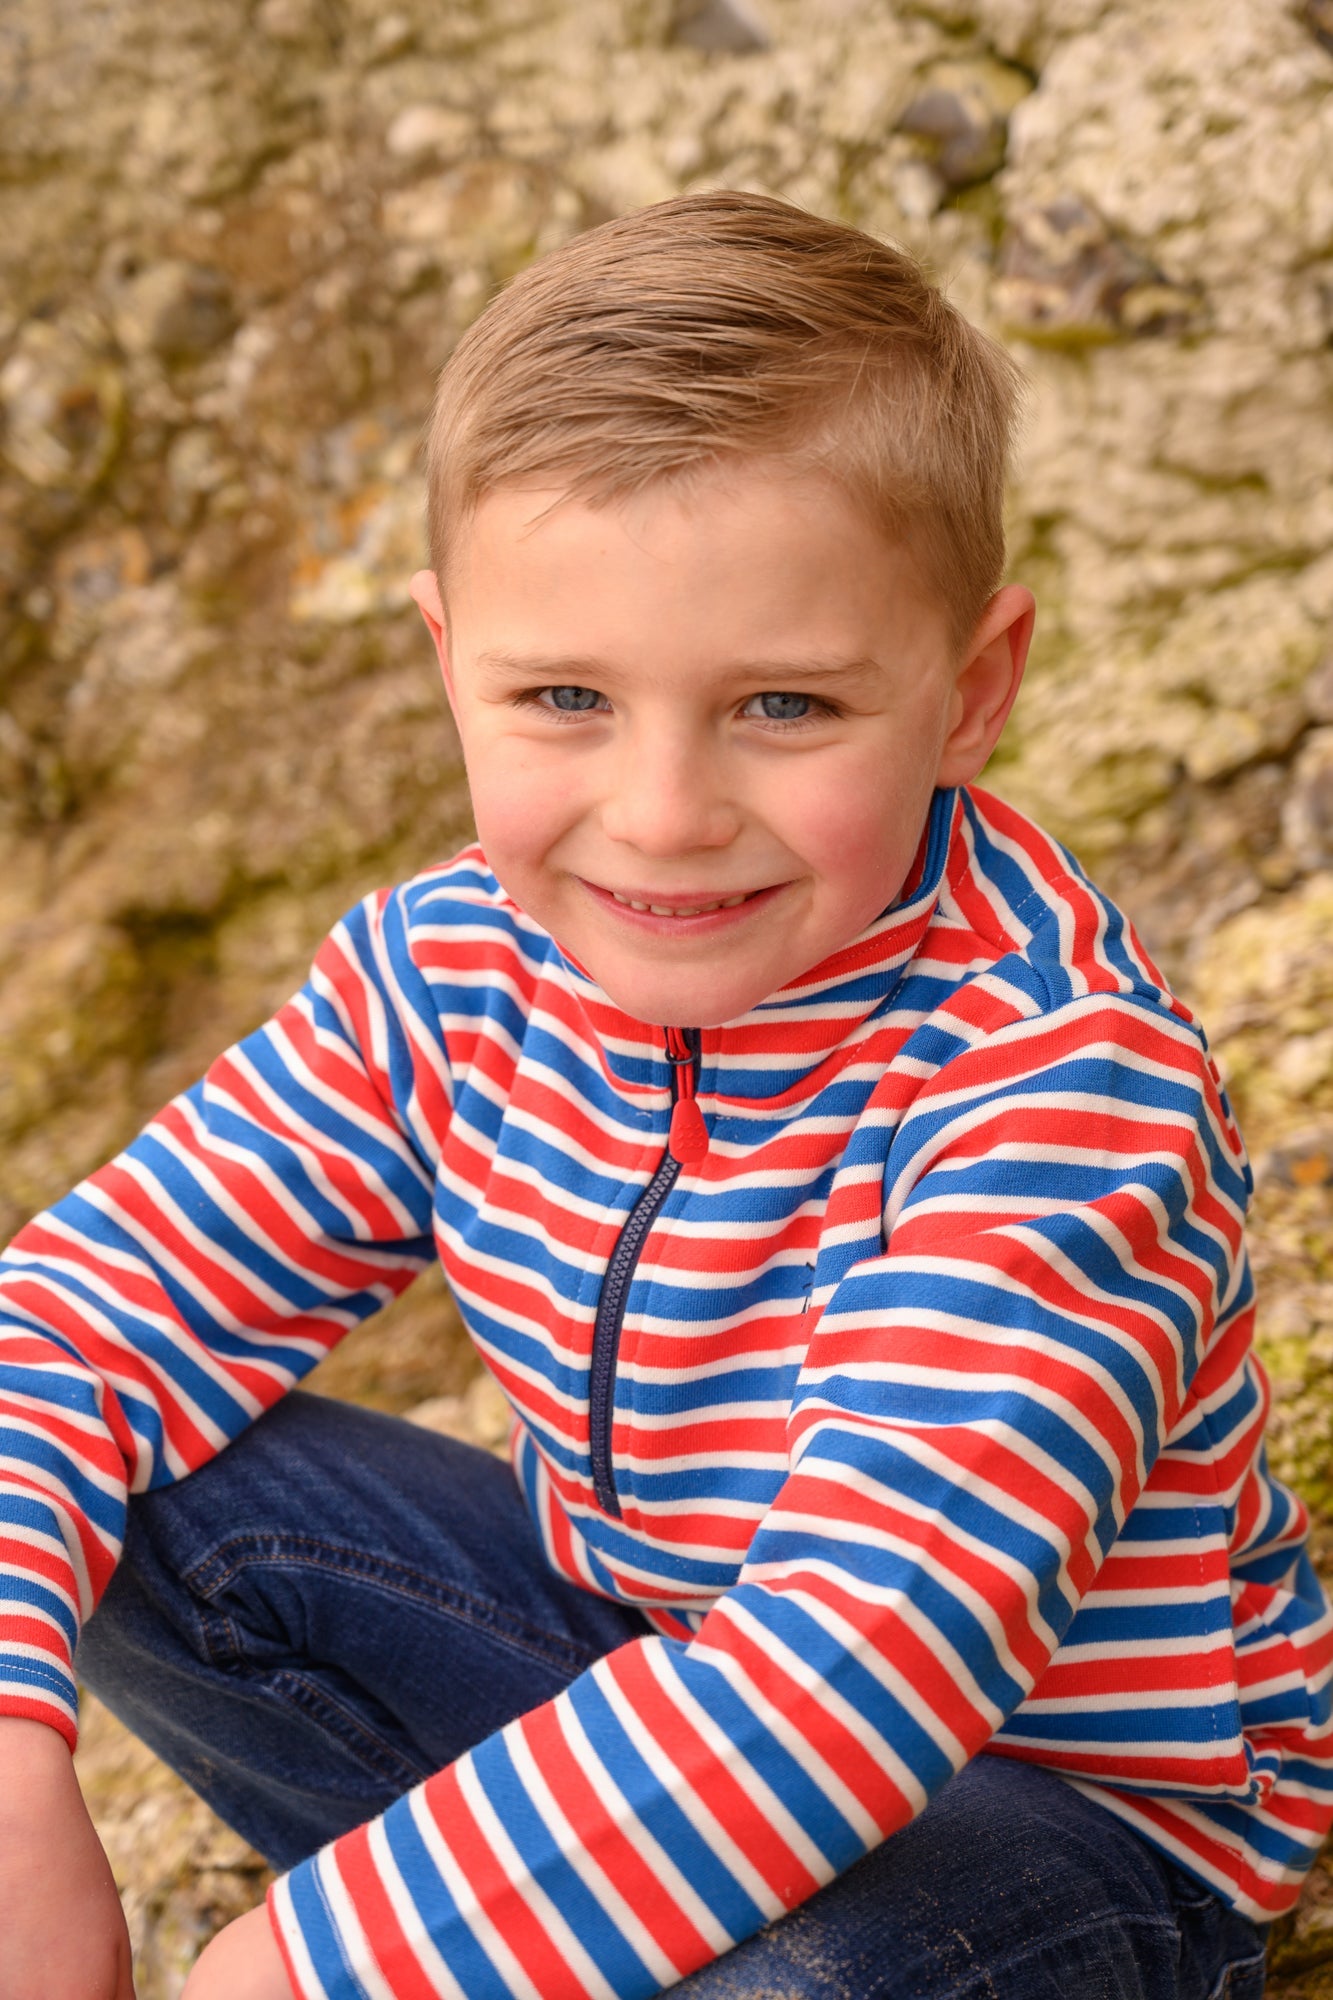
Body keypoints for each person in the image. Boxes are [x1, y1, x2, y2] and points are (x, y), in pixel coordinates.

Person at [0, 191, 1327, 2000]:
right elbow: (69, 1320)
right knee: (142, 1489)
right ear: (446, 659)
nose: (664, 815)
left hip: (1050, 1831)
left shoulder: (1053, 1090)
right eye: (564, 695)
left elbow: (844, 1678)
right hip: (643, 1673)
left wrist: (289, 1966)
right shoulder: (446, 975)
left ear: (969, 691)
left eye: (781, 706)